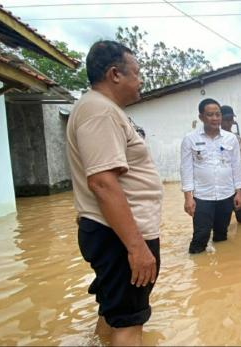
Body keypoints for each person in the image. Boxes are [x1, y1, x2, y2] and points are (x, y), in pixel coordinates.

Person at [66, 40, 162, 346]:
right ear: (114, 74)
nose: (141, 80)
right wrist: (136, 248)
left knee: (114, 313)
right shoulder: (100, 112)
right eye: (136, 72)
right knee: (130, 323)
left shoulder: (99, 109)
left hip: (112, 232)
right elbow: (103, 183)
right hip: (120, 236)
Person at [180, 98, 241, 254]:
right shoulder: (190, 139)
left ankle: (221, 271)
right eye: (210, 115)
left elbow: (237, 165)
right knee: (200, 237)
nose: (215, 118)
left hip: (226, 195)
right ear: (201, 117)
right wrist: (188, 197)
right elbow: (186, 169)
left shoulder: (231, 138)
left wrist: (239, 192)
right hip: (202, 197)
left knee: (222, 236)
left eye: (218, 114)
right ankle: (199, 270)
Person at [220, 105, 241, 224]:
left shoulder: (239, 140)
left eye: (231, 119)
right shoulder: (214, 139)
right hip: (222, 185)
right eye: (226, 119)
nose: (229, 122)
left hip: (238, 184)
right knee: (222, 221)